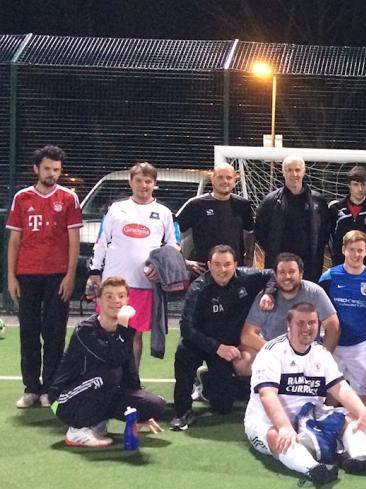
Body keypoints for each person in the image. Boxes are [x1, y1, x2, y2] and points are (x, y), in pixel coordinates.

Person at [244, 302, 366, 487]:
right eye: (300, 323)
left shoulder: (320, 353)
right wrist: (284, 427)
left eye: (312, 323)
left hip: (310, 416)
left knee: (354, 418)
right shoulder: (271, 352)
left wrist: (363, 414)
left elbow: (340, 388)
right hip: (267, 420)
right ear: (288, 325)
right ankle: (313, 468)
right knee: (276, 436)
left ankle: (358, 458)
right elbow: (267, 395)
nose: (306, 328)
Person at [47, 277, 164, 447]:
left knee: (155, 404)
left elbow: (130, 374)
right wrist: (123, 325)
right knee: (109, 373)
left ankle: (96, 421)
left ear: (127, 300)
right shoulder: (85, 330)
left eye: (121, 296)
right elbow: (112, 360)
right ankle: (77, 430)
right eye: (109, 296)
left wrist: (140, 410)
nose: (116, 301)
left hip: (97, 389)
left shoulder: (124, 332)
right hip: (63, 401)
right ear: (98, 300)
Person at [6, 145, 81, 409]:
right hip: (27, 275)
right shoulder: (22, 198)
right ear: (36, 168)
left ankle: (51, 388)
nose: (52, 174)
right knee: (28, 332)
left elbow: (74, 241)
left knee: (54, 332)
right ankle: (31, 388)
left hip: (57, 276)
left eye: (57, 169)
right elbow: (14, 241)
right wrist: (11, 277)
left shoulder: (69, 198)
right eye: (47, 168)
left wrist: (70, 275)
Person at [86, 162, 178, 369]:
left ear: (154, 183)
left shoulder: (164, 213)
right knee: (107, 330)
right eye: (139, 180)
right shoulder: (116, 209)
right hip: (113, 283)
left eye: (148, 181)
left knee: (134, 334)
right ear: (130, 182)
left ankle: (131, 379)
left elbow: (172, 246)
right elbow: (101, 241)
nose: (143, 185)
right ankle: (105, 377)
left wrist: (160, 268)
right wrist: (95, 271)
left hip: (144, 284)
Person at [170, 245, 273, 431]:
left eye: (227, 264)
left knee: (222, 406)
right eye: (217, 264)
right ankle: (182, 411)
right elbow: (187, 328)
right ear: (209, 265)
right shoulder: (198, 288)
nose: (222, 269)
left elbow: (273, 274)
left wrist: (269, 293)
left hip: (226, 345)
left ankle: (205, 380)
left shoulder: (247, 278)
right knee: (183, 353)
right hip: (200, 342)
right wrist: (217, 347)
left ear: (236, 264)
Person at [318, 231, 366, 409]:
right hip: (333, 345)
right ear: (343, 250)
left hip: (359, 345)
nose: (356, 254)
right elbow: (320, 313)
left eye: (360, 250)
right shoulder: (328, 277)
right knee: (328, 402)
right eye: (352, 250)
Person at [240, 253, 340, 352]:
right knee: (244, 358)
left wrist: (324, 356)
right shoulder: (265, 298)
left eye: (291, 272)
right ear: (275, 276)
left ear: (301, 274)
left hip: (308, 352)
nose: (287, 276)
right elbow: (247, 335)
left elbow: (333, 327)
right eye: (282, 272)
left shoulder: (314, 292)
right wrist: (275, 352)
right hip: (274, 352)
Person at [254, 156, 330, 281]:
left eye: (297, 170)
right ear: (283, 172)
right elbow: (260, 231)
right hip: (279, 263)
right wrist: (273, 249)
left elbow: (326, 230)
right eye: (289, 170)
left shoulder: (318, 200)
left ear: (304, 171)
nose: (294, 174)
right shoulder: (271, 201)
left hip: (310, 265)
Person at [177, 162, 255, 274]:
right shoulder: (196, 204)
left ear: (234, 181)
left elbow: (250, 234)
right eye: (220, 177)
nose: (225, 181)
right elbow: (171, 231)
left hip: (234, 272)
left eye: (229, 177)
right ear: (213, 179)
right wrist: (184, 262)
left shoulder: (243, 205)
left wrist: (249, 259)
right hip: (203, 272)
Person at [327, 165, 366, 268]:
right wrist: (338, 258)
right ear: (349, 185)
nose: (360, 189)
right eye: (355, 184)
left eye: (363, 185)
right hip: (340, 266)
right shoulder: (335, 208)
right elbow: (330, 238)